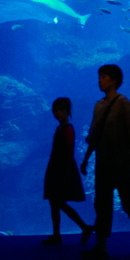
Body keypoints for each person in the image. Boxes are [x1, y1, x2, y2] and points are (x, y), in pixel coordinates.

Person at [79, 64, 130, 259]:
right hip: (102, 165)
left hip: (122, 165)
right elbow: (94, 136)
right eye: (100, 76)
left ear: (114, 80)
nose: (100, 80)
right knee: (102, 205)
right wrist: (86, 159)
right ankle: (101, 246)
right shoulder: (98, 106)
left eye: (104, 77)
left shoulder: (124, 104)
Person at [41, 97, 94, 246]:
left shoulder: (68, 129)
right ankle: (59, 233)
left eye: (61, 110)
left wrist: (66, 173)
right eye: (56, 110)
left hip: (62, 169)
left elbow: (69, 152)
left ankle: (81, 228)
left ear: (67, 111)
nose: (58, 113)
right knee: (55, 202)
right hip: (55, 168)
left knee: (58, 202)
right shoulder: (60, 128)